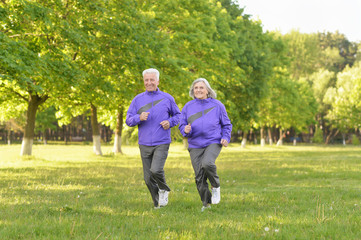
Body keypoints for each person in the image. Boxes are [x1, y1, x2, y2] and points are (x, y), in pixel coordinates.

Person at [126, 68, 181, 209]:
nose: (149, 82)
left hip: (161, 141)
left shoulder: (167, 98)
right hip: (144, 143)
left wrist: (170, 122)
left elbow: (178, 116)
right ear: (143, 81)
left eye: (152, 80)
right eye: (146, 80)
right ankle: (157, 203)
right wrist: (139, 117)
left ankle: (164, 189)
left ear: (157, 81)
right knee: (147, 178)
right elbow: (128, 120)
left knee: (156, 170)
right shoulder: (137, 100)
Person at [179, 78, 232, 211]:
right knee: (199, 177)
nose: (198, 90)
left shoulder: (217, 105)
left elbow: (226, 124)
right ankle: (206, 204)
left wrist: (226, 137)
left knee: (207, 163)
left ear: (207, 90)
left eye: (201, 87)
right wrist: (184, 130)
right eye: (196, 88)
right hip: (195, 143)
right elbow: (182, 125)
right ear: (193, 91)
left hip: (213, 141)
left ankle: (215, 186)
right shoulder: (188, 106)